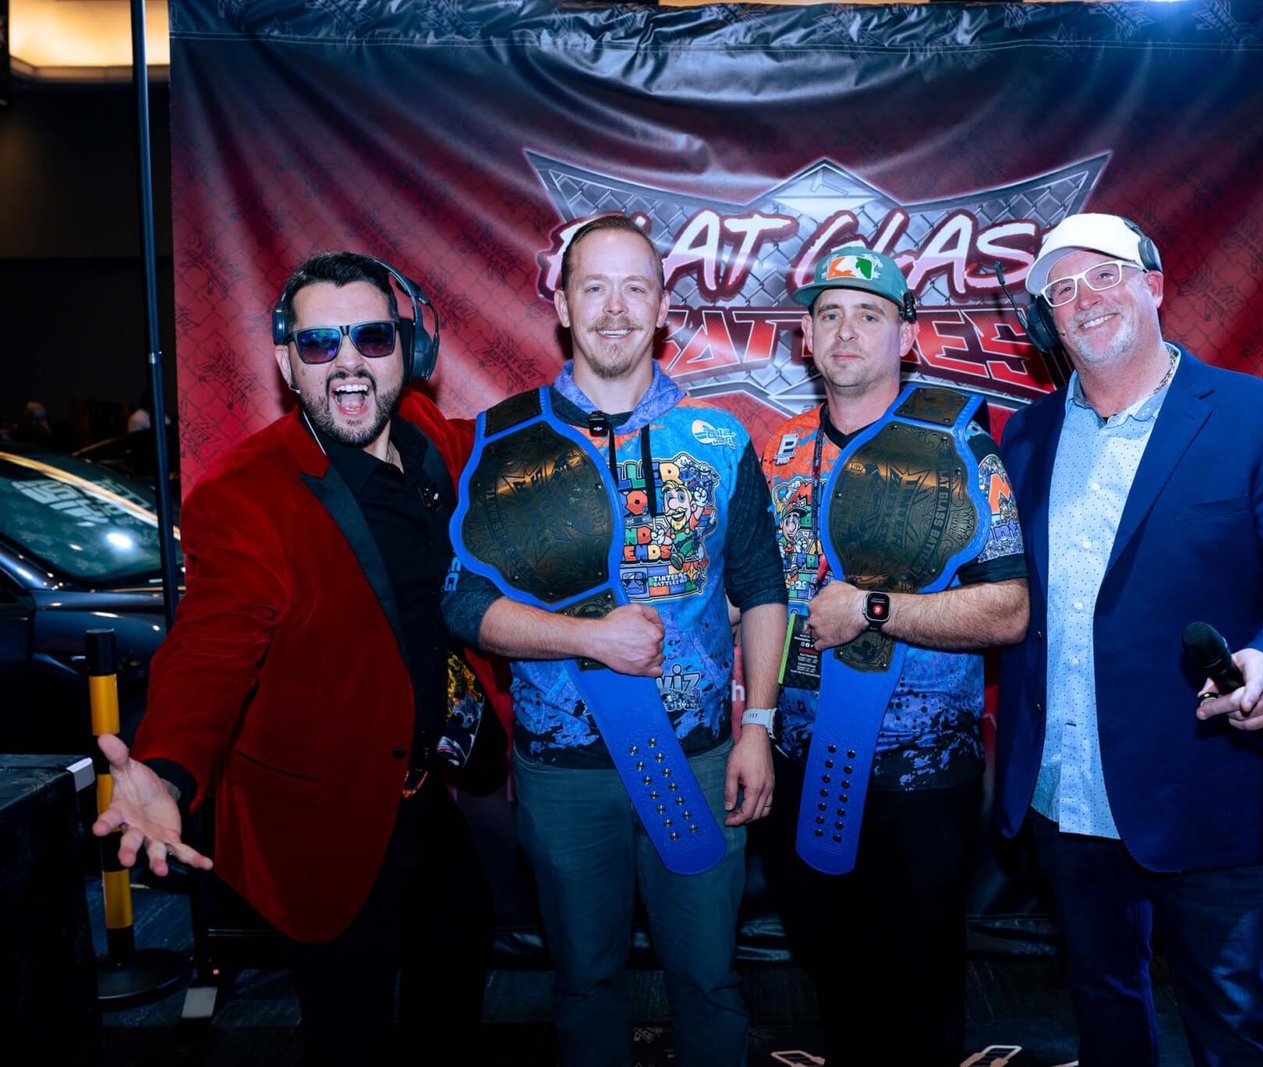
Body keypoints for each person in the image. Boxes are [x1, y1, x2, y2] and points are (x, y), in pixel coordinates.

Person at [92, 251, 502, 1061]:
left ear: (408, 351)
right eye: (320, 344)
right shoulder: (245, 496)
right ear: (287, 363)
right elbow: (211, 645)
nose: (348, 362)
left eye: (372, 337)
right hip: (326, 818)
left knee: (460, 949)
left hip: (424, 790)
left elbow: (500, 444)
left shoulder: (427, 438)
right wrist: (166, 767)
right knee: (347, 1025)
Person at [994, 213, 1263, 1066]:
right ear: (1048, 321)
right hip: (1064, 789)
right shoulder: (1028, 436)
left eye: (1104, 275)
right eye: (1061, 290)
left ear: (1153, 286)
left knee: (1233, 1026)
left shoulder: (1258, 417)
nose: (1084, 299)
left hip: (1208, 785)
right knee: (1104, 1010)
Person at [441, 214, 787, 1067]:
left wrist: (758, 725)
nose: (615, 308)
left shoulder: (720, 440)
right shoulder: (502, 440)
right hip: (564, 774)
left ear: (663, 308)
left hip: (700, 759)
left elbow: (763, 589)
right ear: (563, 305)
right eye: (593, 287)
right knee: (585, 986)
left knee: (710, 983)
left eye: (636, 288)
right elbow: (463, 603)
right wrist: (588, 638)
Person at [758, 244, 1028, 1066]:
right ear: (806, 336)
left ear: (905, 335)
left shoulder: (959, 445)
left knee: (920, 1000)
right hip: (800, 767)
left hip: (920, 785)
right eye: (830, 314)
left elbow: (1010, 610)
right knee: (835, 987)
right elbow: (755, 599)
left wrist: (875, 608)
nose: (847, 330)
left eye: (869, 314)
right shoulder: (779, 450)